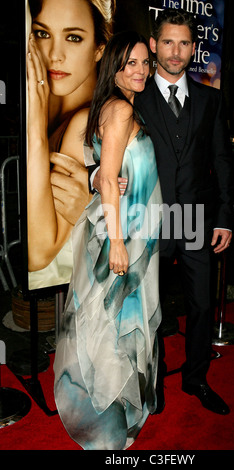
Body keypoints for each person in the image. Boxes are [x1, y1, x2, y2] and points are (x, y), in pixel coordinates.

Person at [90, 9, 233, 416]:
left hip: (195, 218)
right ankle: (153, 382)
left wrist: (224, 215)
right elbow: (102, 142)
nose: (175, 51)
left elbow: (223, 160)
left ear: (193, 48)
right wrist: (99, 174)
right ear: (154, 45)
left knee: (201, 303)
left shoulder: (211, 99)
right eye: (167, 42)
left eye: (184, 43)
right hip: (146, 218)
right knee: (149, 309)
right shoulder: (133, 92)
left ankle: (197, 378)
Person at [53, 31, 163, 450]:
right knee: (111, 321)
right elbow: (112, 183)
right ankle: (105, 418)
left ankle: (112, 406)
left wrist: (98, 174)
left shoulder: (115, 106)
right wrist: (117, 242)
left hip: (134, 231)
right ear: (114, 69)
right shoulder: (118, 109)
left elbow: (104, 172)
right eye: (129, 64)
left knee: (110, 319)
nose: (139, 71)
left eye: (143, 63)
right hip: (123, 234)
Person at [26, 0, 115, 289]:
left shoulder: (85, 122)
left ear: (99, 48)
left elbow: (37, 255)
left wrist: (35, 130)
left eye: (73, 37)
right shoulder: (52, 108)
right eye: (42, 33)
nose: (54, 54)